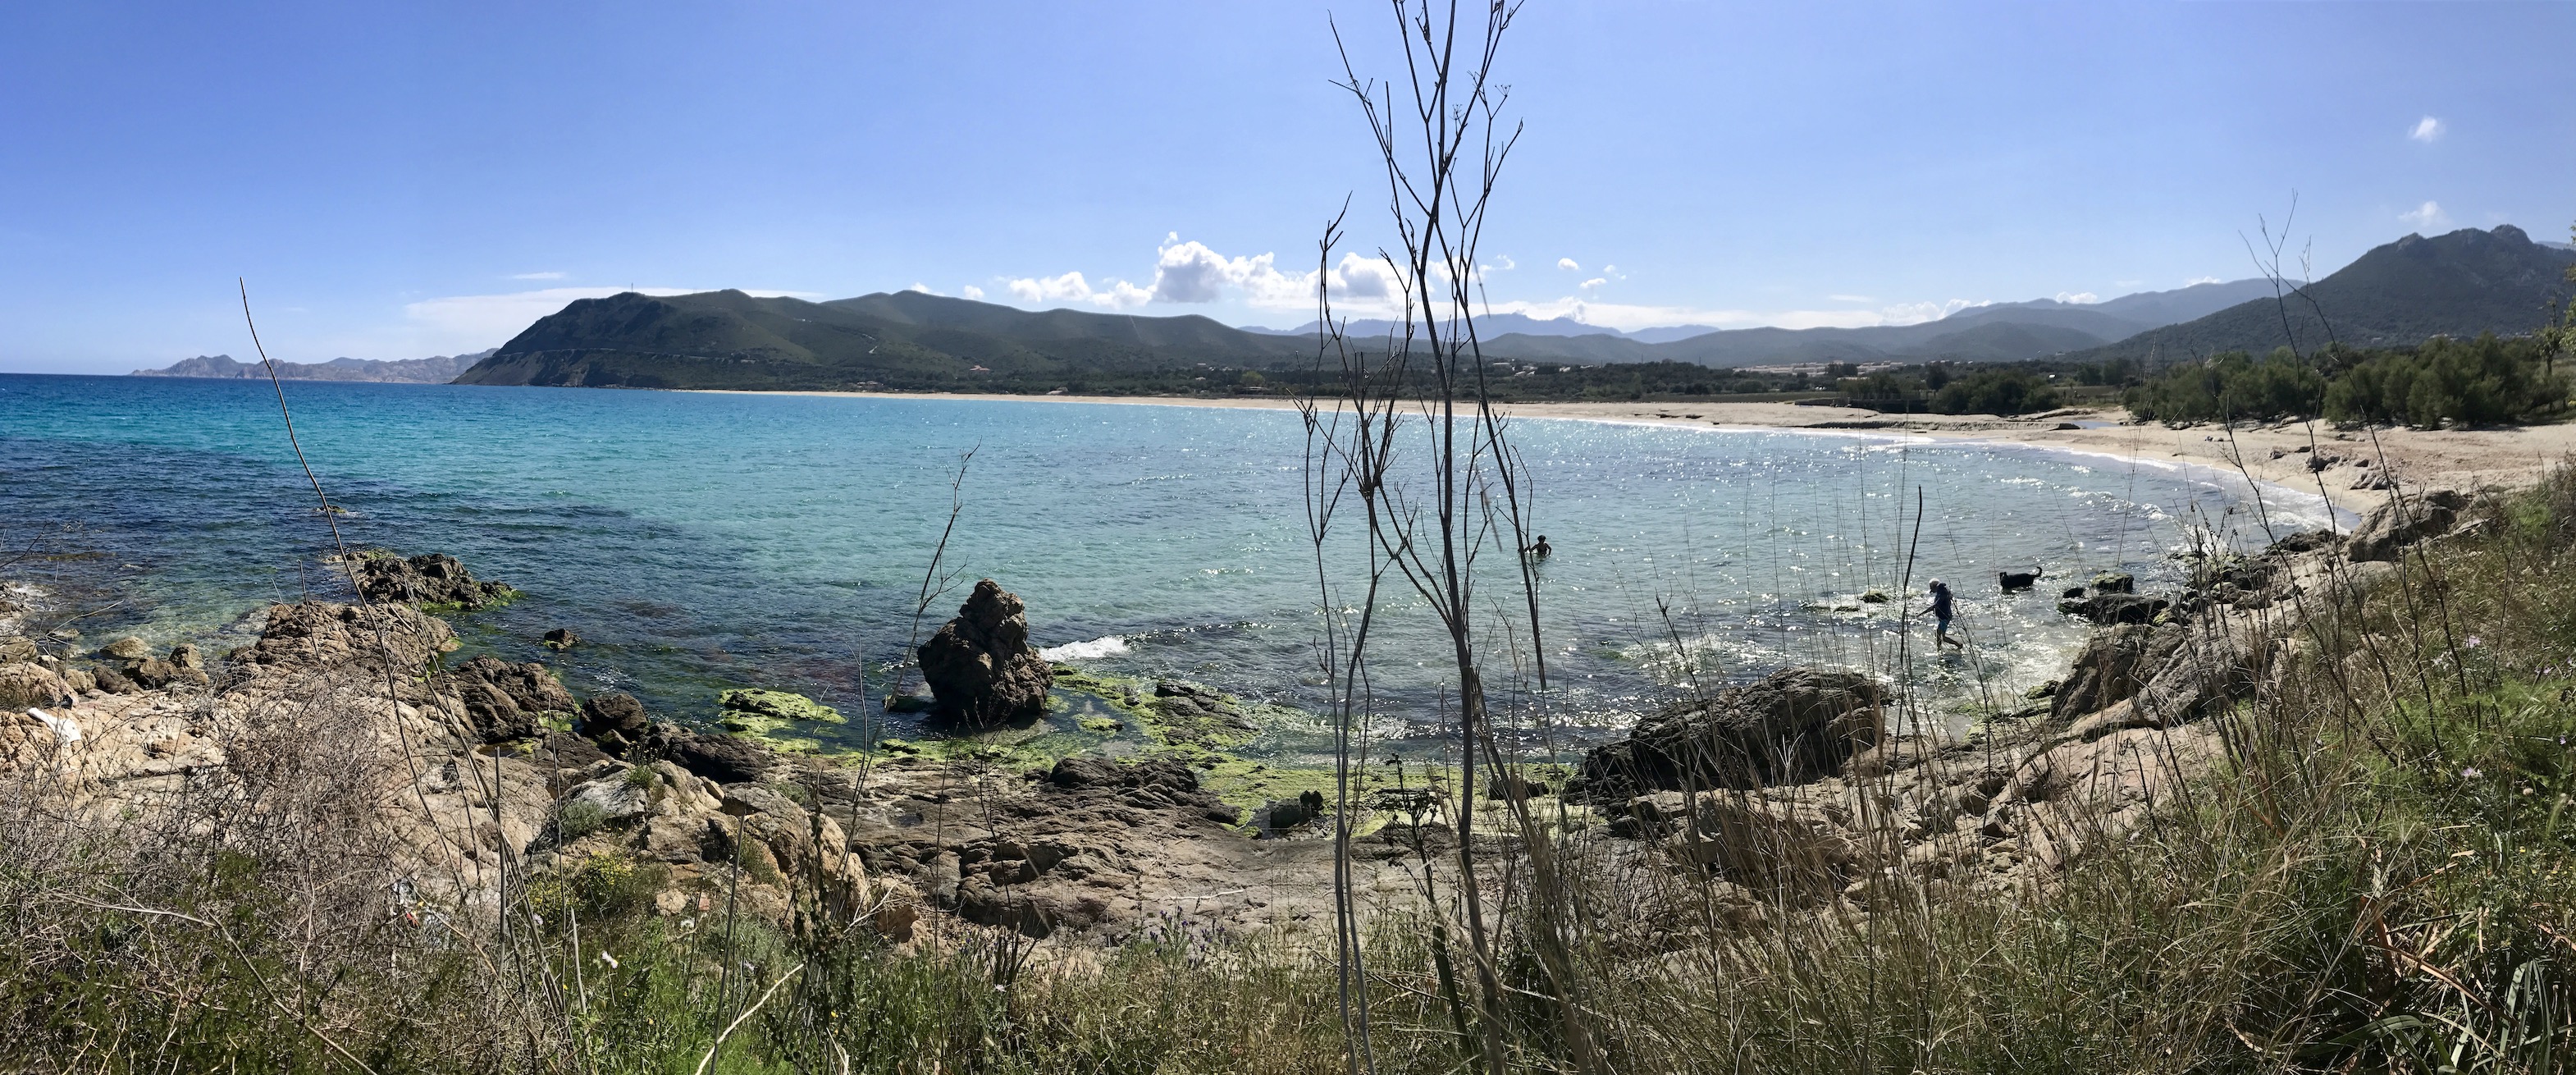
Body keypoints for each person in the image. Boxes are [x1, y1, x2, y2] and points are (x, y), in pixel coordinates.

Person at [1922, 578, 1962, 651]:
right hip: (1944, 616)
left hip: (1945, 617)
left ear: (1934, 586)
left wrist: (1923, 613)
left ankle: (1959, 645)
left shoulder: (1942, 593)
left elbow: (1936, 605)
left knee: (1943, 637)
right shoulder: (1943, 591)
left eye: (1931, 587)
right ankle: (1939, 648)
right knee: (1938, 633)